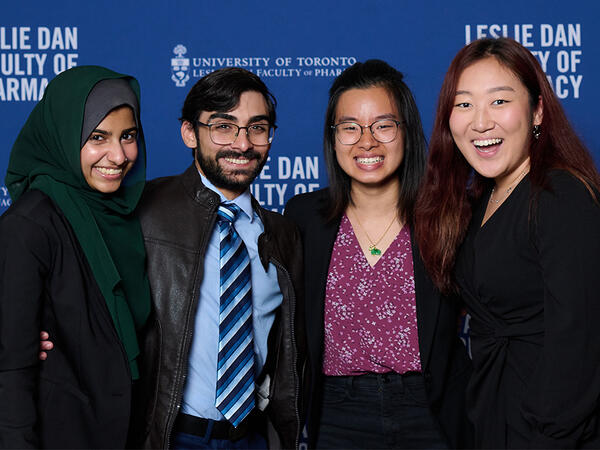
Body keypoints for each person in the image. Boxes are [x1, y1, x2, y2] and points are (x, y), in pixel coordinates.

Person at [415, 37, 600, 448]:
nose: (480, 122)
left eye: (499, 102)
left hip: (551, 430)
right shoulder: (480, 200)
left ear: (537, 111)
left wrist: (546, 430)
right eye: (463, 104)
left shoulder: (560, 195)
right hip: (495, 416)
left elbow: (581, 338)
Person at [284, 60, 472, 449]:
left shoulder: (448, 214)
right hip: (338, 415)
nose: (366, 141)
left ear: (406, 132)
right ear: (332, 137)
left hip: (431, 412)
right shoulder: (303, 217)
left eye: (383, 125)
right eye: (350, 127)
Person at [133, 67, 306, 449]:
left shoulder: (284, 234)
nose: (242, 144)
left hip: (251, 437)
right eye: (224, 126)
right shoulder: (143, 212)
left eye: (257, 128)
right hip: (168, 436)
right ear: (189, 133)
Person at [0, 66, 150, 448]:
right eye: (97, 137)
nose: (118, 156)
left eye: (128, 136)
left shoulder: (128, 214)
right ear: (64, 136)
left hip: (128, 428)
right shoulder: (29, 224)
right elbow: (10, 370)